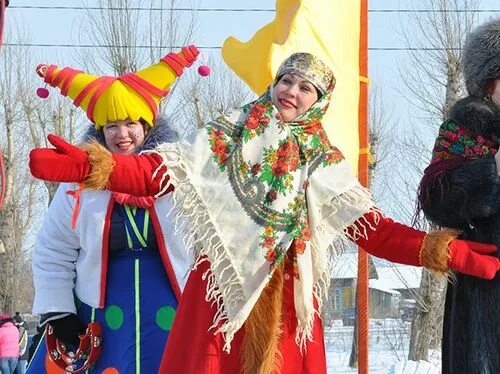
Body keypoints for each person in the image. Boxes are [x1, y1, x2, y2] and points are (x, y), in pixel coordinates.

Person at [29, 52, 500, 374]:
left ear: (320, 102)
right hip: (221, 298)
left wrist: (444, 250)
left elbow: (373, 230)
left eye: (306, 87)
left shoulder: (324, 162)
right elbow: (155, 173)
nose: (292, 90)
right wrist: (93, 166)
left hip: (290, 307)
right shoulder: (226, 136)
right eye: (286, 80)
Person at [26, 45, 201, 373]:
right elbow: (54, 248)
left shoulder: (180, 172)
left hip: (175, 306)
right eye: (111, 127)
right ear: (100, 131)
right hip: (101, 314)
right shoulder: (78, 181)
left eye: (131, 123)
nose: (122, 135)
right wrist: (59, 310)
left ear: (147, 125)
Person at [417, 18, 500, 374]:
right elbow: (437, 201)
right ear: (488, 84)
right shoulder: (466, 129)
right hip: (486, 292)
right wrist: (491, 170)